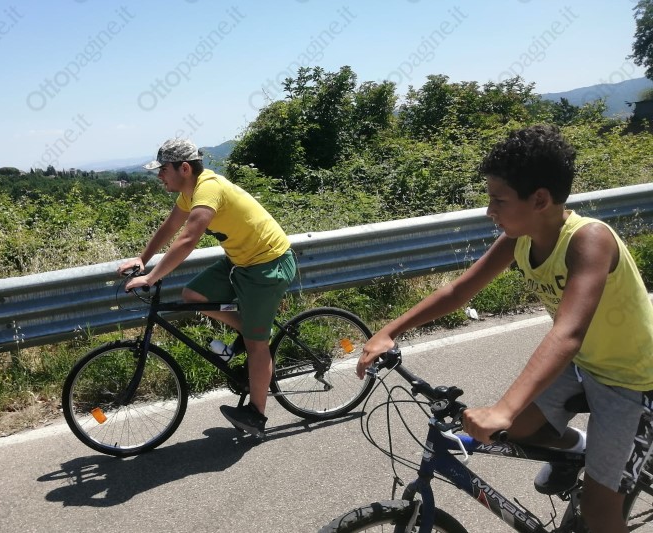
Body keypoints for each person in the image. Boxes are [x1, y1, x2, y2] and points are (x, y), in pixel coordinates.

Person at [355, 125, 653, 532]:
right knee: (516, 431)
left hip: (636, 380)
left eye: (498, 200)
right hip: (587, 365)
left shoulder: (589, 240)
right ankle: (578, 451)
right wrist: (390, 330)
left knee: (600, 513)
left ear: (540, 199)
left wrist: (503, 408)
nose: (488, 210)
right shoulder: (520, 238)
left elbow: (568, 334)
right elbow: (459, 290)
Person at [120, 138, 296, 438]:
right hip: (240, 261)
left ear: (184, 168)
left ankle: (256, 414)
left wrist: (150, 278)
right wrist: (142, 259)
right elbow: (170, 226)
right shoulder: (189, 193)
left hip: (267, 264)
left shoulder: (208, 189)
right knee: (194, 296)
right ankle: (252, 333)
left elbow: (188, 239)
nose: (159, 175)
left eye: (163, 169)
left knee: (257, 345)